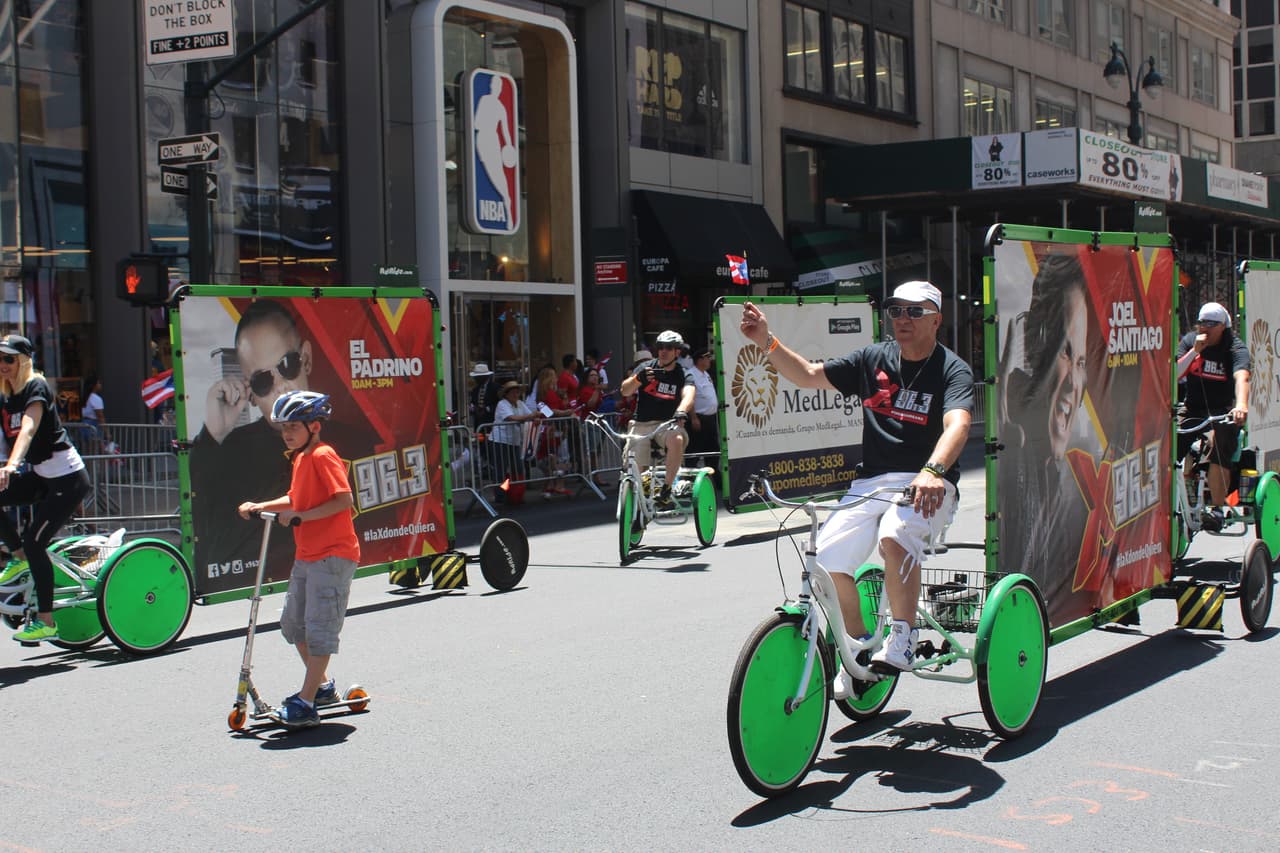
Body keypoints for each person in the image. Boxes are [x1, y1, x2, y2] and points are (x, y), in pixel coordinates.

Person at [739, 281, 973, 682]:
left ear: (937, 319)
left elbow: (959, 424)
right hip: (871, 483)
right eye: (896, 310)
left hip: (927, 482)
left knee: (895, 535)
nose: (903, 319)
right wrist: (766, 340)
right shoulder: (872, 358)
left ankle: (903, 637)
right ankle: (861, 643)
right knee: (824, 563)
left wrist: (933, 471)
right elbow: (808, 375)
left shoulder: (952, 369)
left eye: (914, 311)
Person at [237, 390, 360, 729]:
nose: (287, 433)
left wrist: (301, 517)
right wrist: (261, 506)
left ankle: (305, 703)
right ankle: (321, 688)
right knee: (293, 625)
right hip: (307, 555)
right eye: (284, 427)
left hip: (333, 555)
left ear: (314, 426)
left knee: (320, 629)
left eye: (294, 426)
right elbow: (296, 498)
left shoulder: (323, 455)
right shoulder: (301, 458)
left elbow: (343, 500)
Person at [996, 254, 1091, 611]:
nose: (1073, 384)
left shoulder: (1073, 490)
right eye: (1062, 353)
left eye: (1081, 361)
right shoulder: (1016, 455)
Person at [0, 334, 92, 642]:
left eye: (9, 359)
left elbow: (28, 429)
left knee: (35, 542)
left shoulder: (35, 386)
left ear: (23, 361)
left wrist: (12, 465)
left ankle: (46, 621)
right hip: (43, 477)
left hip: (68, 479)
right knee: (25, 544)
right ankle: (18, 557)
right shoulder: (6, 396)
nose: (3, 364)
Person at [1176, 301, 1251, 526]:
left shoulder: (1234, 348)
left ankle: (1217, 509)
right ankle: (1178, 496)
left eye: (1211, 324)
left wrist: (1241, 405)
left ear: (1223, 327)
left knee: (1217, 444)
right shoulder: (1190, 342)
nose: (1204, 328)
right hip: (1192, 408)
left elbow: (1242, 377)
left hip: (1223, 412)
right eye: (1202, 323)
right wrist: (1195, 352)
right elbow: (1174, 374)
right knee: (1170, 440)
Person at [618, 330, 696, 511]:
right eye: (660, 347)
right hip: (641, 423)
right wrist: (638, 379)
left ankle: (667, 489)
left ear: (677, 351)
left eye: (669, 347)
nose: (663, 351)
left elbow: (689, 395)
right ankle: (640, 504)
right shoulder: (646, 368)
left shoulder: (683, 373)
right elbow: (625, 391)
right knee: (638, 469)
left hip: (667, 424)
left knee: (676, 438)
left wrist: (681, 411)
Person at [491, 380, 539, 504]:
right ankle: (501, 495)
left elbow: (529, 415)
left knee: (517, 468)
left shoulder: (520, 404)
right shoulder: (502, 404)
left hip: (514, 440)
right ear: (506, 394)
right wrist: (531, 417)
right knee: (501, 469)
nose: (515, 394)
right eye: (512, 392)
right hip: (501, 440)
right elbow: (511, 418)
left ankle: (516, 493)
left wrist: (535, 417)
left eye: (517, 392)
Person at [686, 346, 719, 471]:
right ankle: (690, 477)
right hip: (699, 419)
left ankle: (713, 476)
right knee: (695, 451)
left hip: (710, 419)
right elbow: (690, 398)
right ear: (699, 360)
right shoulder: (691, 374)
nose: (710, 360)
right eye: (707, 357)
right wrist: (693, 418)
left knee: (712, 450)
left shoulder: (706, 374)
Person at [468, 362, 499, 432]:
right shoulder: (475, 389)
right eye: (476, 377)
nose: (476, 379)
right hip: (479, 422)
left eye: (478, 377)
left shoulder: (495, 388)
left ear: (486, 377)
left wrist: (487, 409)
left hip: (492, 421)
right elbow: (473, 402)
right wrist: (473, 408)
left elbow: (499, 403)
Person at [80, 374, 109, 450]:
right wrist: (107, 432)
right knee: (98, 449)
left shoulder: (84, 397)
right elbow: (100, 416)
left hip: (83, 425)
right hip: (93, 426)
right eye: (98, 383)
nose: (100, 385)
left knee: (87, 450)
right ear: (94, 385)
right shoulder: (96, 398)